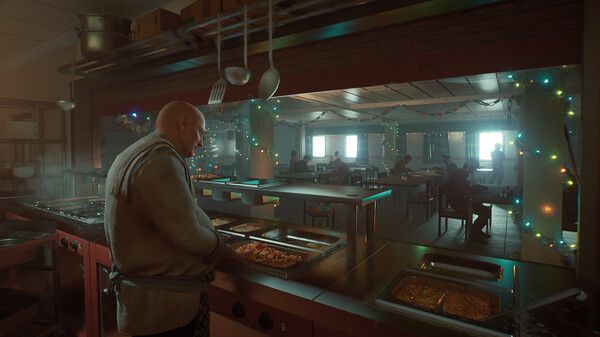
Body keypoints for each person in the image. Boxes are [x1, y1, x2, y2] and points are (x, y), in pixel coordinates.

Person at [104, 101, 243, 337]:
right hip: (163, 310)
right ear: (181, 123)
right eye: (200, 132)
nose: (200, 141)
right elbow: (187, 236)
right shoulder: (159, 159)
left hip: (149, 302)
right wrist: (222, 248)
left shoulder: (136, 151)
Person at [445, 160, 491, 243]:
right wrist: (477, 189)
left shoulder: (461, 172)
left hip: (460, 201)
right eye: (474, 168)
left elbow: (465, 189)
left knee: (484, 209)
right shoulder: (461, 173)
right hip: (457, 204)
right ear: (469, 167)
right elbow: (465, 191)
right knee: (485, 210)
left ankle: (476, 230)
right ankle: (474, 232)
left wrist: (477, 187)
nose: (474, 171)